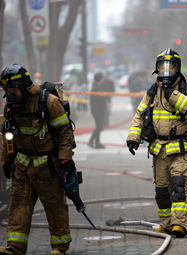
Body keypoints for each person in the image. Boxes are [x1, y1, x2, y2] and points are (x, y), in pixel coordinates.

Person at [0, 64, 74, 255]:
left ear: (24, 85)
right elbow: (7, 134)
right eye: (7, 91)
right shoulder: (11, 106)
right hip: (23, 166)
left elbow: (65, 134)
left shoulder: (49, 102)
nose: (10, 94)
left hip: (47, 167)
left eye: (13, 89)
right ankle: (14, 248)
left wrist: (65, 159)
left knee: (54, 206)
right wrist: (6, 159)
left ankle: (59, 247)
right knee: (18, 206)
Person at [126, 48, 187, 238]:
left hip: (180, 150)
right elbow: (139, 116)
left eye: (170, 67)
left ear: (178, 69)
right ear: (156, 69)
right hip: (159, 150)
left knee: (179, 187)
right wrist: (133, 137)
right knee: (161, 191)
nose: (166, 72)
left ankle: (180, 224)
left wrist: (171, 94)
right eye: (162, 67)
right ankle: (166, 224)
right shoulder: (152, 91)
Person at [88, 71, 107, 149]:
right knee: (99, 126)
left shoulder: (97, 86)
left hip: (99, 110)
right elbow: (101, 98)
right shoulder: (95, 87)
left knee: (99, 126)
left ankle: (97, 143)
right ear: (101, 79)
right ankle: (91, 140)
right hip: (97, 111)